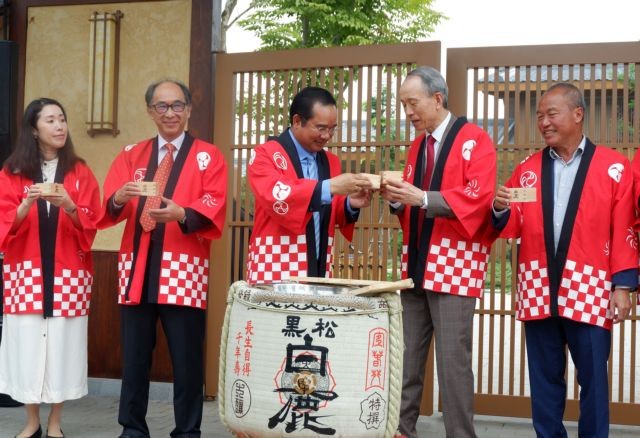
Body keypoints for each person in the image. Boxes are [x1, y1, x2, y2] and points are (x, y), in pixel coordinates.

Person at [492, 82, 637, 437]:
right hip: (537, 286)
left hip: (590, 287)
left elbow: (625, 227)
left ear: (577, 114)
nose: (544, 122)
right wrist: (498, 208)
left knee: (594, 382)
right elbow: (513, 224)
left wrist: (623, 285)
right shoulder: (528, 169)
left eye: (551, 114)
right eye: (540, 116)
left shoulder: (614, 168)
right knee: (543, 382)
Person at [99, 79, 227, 438]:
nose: (169, 113)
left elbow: (214, 202)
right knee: (135, 356)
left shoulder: (208, 155)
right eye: (161, 106)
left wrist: (183, 214)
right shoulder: (131, 154)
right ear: (150, 111)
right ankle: (132, 428)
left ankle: (187, 430)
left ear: (188, 109)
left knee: (186, 358)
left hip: (183, 266)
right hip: (135, 266)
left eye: (176, 105)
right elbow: (108, 207)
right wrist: (121, 197)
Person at [381, 66, 497, 438]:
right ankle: (400, 431)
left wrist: (421, 197)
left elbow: (480, 198)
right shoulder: (418, 144)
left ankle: (461, 435)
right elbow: (413, 202)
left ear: (437, 98)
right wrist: (398, 200)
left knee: (453, 363)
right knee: (406, 360)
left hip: (454, 266)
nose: (408, 112)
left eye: (412, 103)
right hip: (416, 261)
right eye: (403, 105)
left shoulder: (475, 140)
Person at [0, 98, 101, 438]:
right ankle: (31, 422)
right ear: (33, 129)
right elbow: (3, 222)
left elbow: (92, 222)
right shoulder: (11, 173)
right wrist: (26, 204)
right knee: (28, 345)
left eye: (62, 119)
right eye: (50, 121)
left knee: (62, 346)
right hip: (25, 273)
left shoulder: (80, 171)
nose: (59, 126)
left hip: (67, 272)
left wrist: (70, 206)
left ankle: (55, 423)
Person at [246, 86, 372, 283]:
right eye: (321, 128)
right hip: (275, 262)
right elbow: (275, 195)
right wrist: (330, 187)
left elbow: (332, 210)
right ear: (297, 121)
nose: (327, 136)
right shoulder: (265, 153)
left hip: (319, 259)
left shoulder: (331, 161)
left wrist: (351, 203)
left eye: (332, 129)